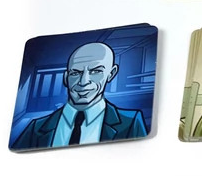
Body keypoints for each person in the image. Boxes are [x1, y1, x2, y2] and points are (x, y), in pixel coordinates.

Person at [11, 43, 147, 150]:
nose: (83, 82)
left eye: (96, 71)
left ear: (111, 74)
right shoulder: (36, 128)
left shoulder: (131, 122)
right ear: (66, 77)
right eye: (75, 73)